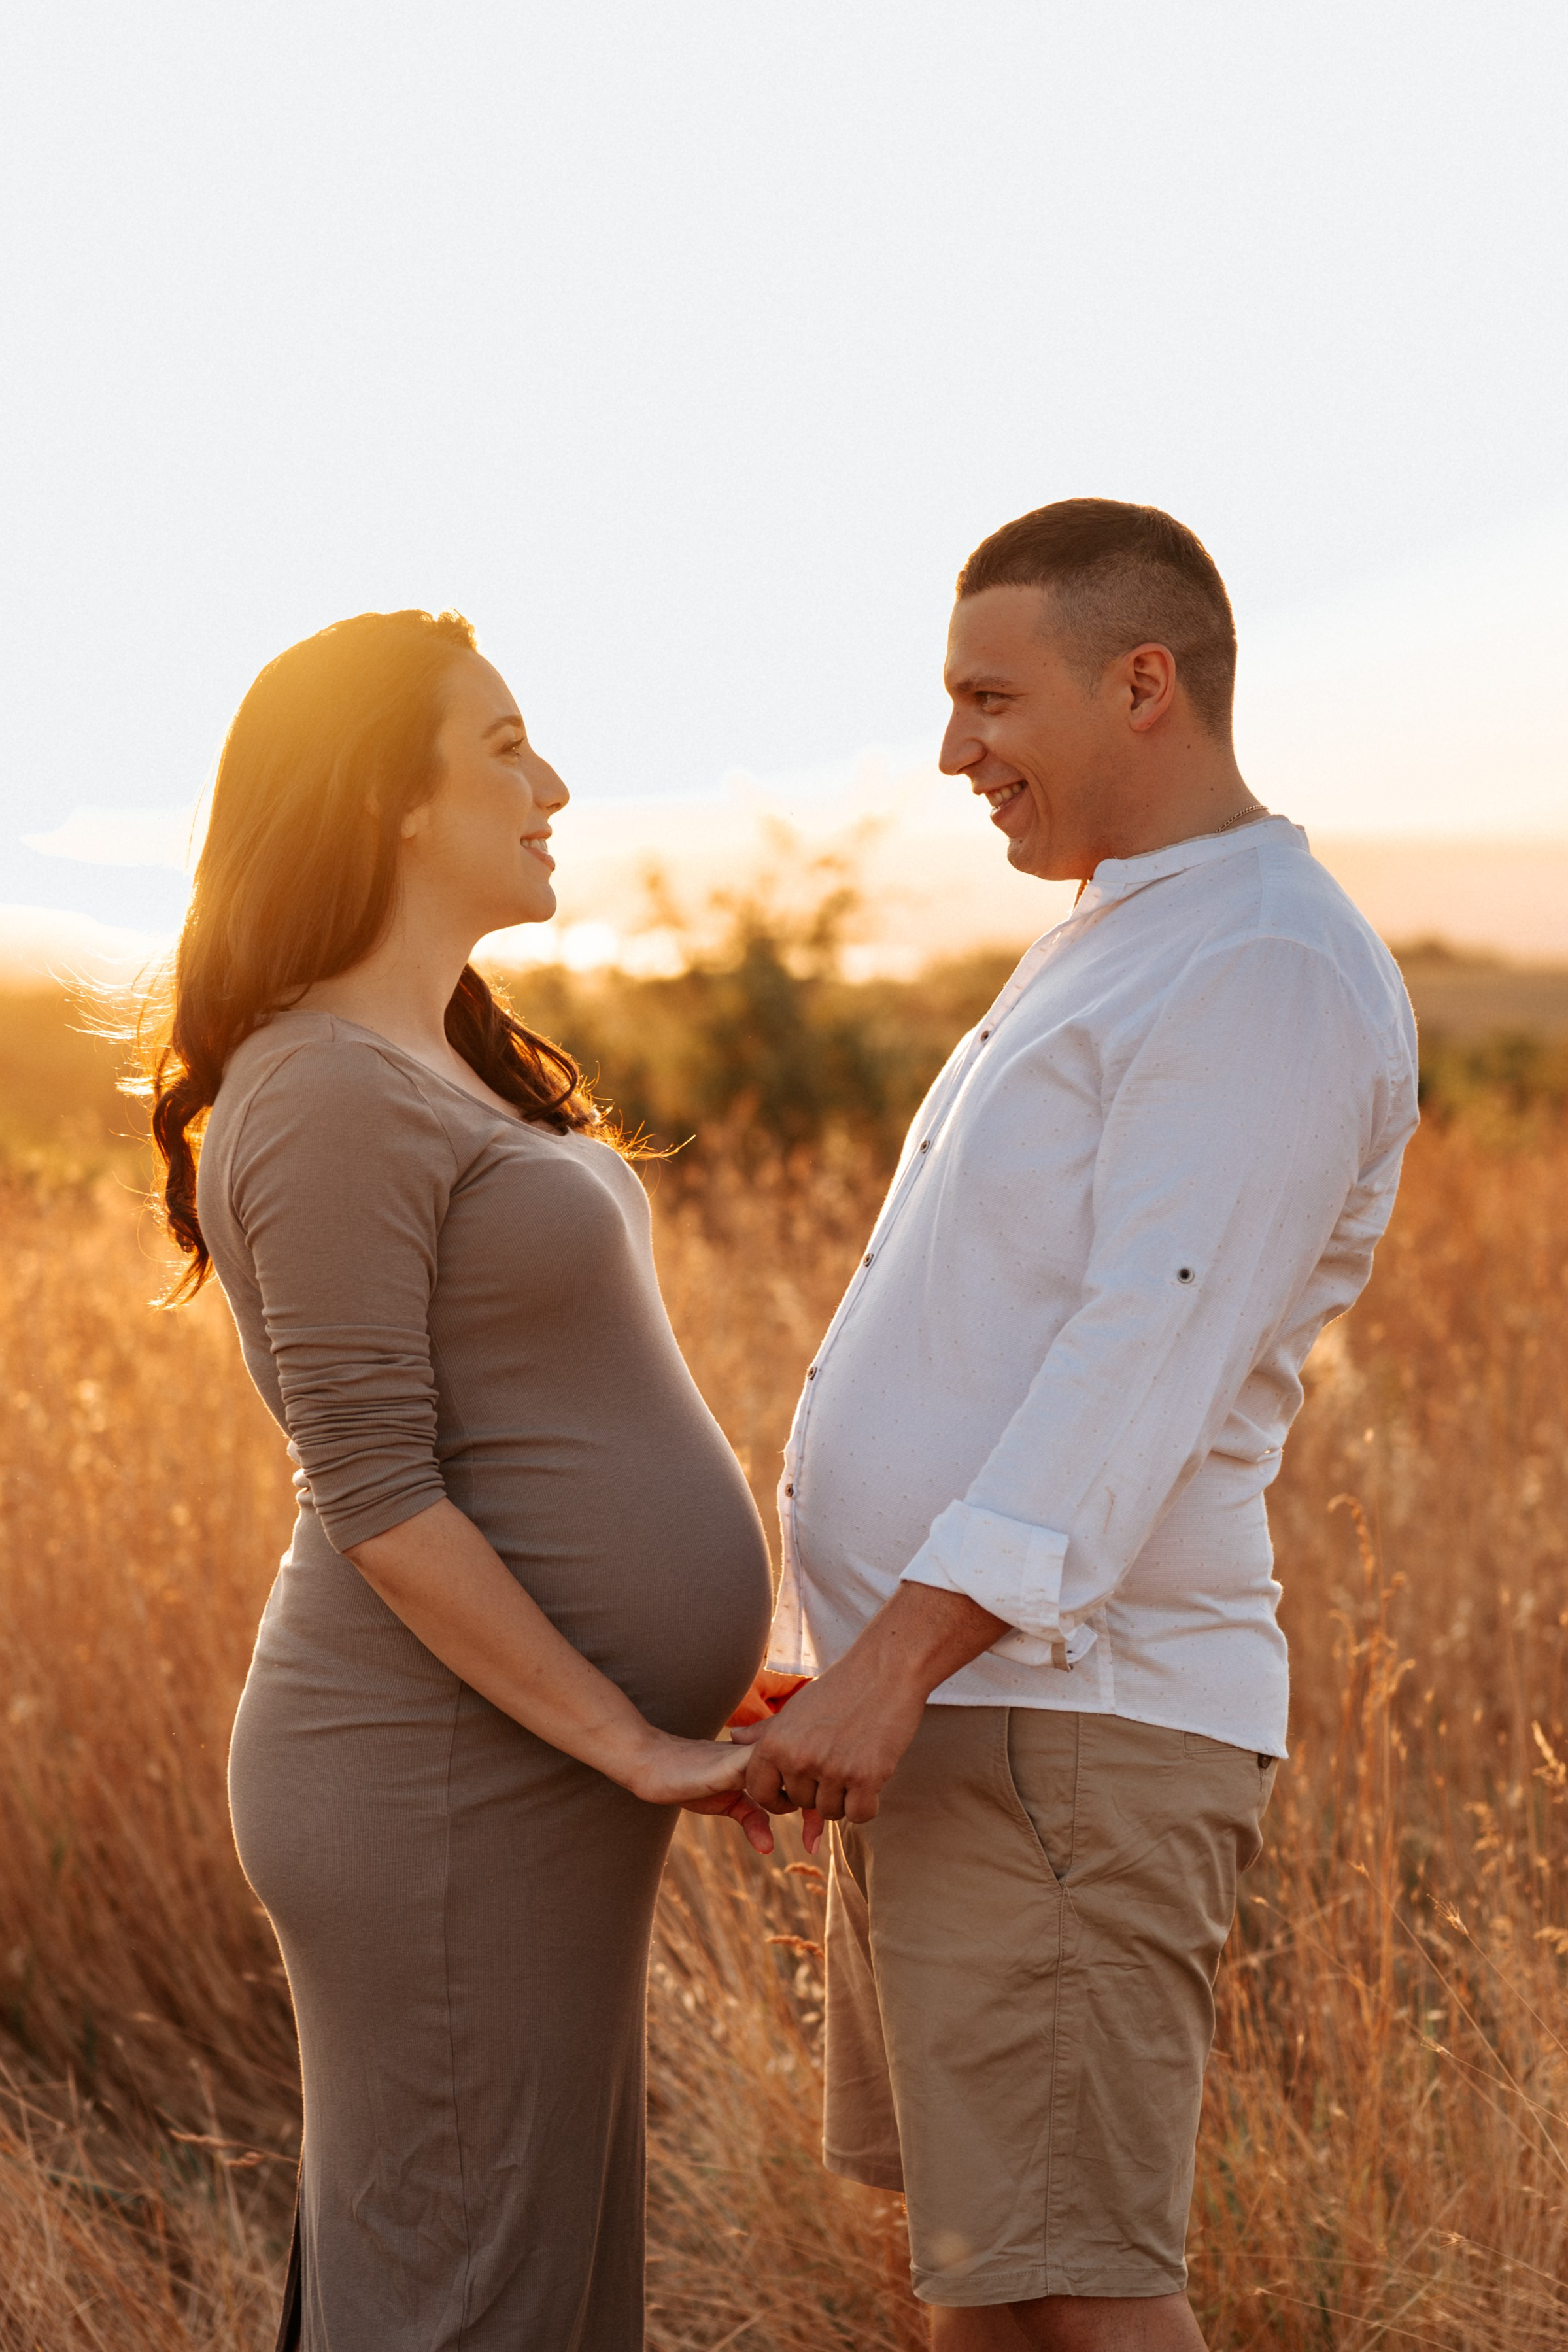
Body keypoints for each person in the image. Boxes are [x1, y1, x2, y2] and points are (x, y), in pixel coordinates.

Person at [736, 500, 1419, 2349]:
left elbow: (1143, 1361)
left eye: (986, 700)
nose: (954, 752)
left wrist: (901, 1656)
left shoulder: (1256, 964)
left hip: (1067, 1728)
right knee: (993, 2278)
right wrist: (852, 1659)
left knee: (1085, 2296)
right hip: (981, 1720)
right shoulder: (1129, 934)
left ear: (1144, 684)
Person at [146, 608, 774, 2349]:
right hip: (436, 1778)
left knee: (514, 2278)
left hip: (520, 1768)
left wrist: (691, 1675)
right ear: (386, 799)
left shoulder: (434, 1061)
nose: (553, 781)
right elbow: (377, 1493)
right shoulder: (324, 1090)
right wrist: (639, 1733)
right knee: (461, 2291)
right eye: (504, 745)